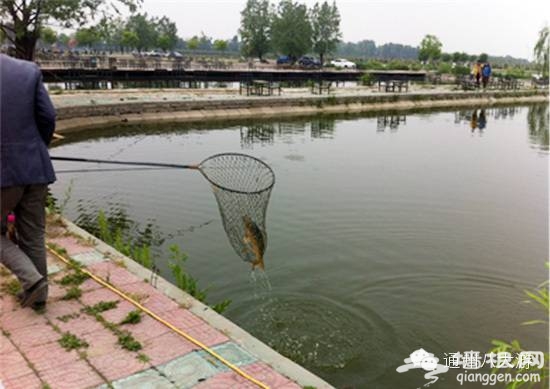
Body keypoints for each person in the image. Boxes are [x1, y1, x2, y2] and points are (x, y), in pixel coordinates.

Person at [0, 53, 57, 310]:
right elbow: (47, 117)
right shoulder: (28, 69)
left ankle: (32, 281)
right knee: (33, 233)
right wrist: (36, 148)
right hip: (35, 166)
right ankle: (39, 297)